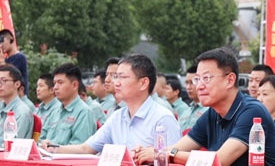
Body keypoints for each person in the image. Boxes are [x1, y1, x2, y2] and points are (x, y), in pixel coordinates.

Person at [137, 47, 275, 166]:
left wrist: (166, 154)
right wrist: (146, 153)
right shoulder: (213, 113)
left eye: (206, 78)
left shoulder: (252, 111)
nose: (199, 86)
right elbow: (176, 148)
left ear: (229, 80)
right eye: (197, 79)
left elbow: (219, 161)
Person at [48, 54, 181, 158]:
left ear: (143, 83)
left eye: (122, 77)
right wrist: (53, 148)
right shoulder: (117, 117)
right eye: (116, 77)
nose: (116, 83)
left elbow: (173, 161)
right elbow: (86, 148)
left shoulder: (162, 119)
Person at [39, 63, 98, 147]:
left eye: (60, 82)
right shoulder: (55, 111)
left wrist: (54, 148)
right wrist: (42, 144)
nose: (55, 87)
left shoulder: (84, 112)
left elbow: (80, 149)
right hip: (46, 154)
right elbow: (42, 138)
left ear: (74, 85)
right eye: (54, 83)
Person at [0, 65, 33, 140]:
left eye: (4, 81)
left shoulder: (22, 112)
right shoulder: (2, 105)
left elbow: (11, 143)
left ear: (17, 84)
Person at [179, 64, 208, 131]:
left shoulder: (210, 111)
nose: (188, 87)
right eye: (186, 83)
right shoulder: (186, 112)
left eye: (192, 83)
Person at [0, 29, 28, 93]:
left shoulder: (19, 57)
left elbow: (10, 74)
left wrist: (2, 62)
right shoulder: (6, 59)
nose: (1, 45)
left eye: (2, 41)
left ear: (11, 39)